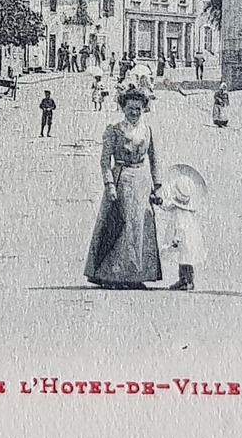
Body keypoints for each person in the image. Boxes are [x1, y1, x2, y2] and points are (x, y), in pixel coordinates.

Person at [85, 86, 165, 289]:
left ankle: (136, 275)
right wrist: (109, 184)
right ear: (123, 108)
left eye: (138, 109)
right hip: (121, 180)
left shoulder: (147, 130)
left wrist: (157, 186)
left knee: (140, 228)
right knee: (120, 225)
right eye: (131, 108)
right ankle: (113, 275)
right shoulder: (115, 129)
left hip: (141, 182)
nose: (134, 113)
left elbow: (154, 159)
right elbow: (104, 161)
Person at [162, 164, 207, 291]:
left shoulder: (179, 213)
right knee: (188, 260)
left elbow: (180, 226)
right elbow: (168, 206)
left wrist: (176, 239)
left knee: (184, 261)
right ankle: (189, 281)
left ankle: (185, 281)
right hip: (191, 238)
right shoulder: (187, 211)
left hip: (183, 239)